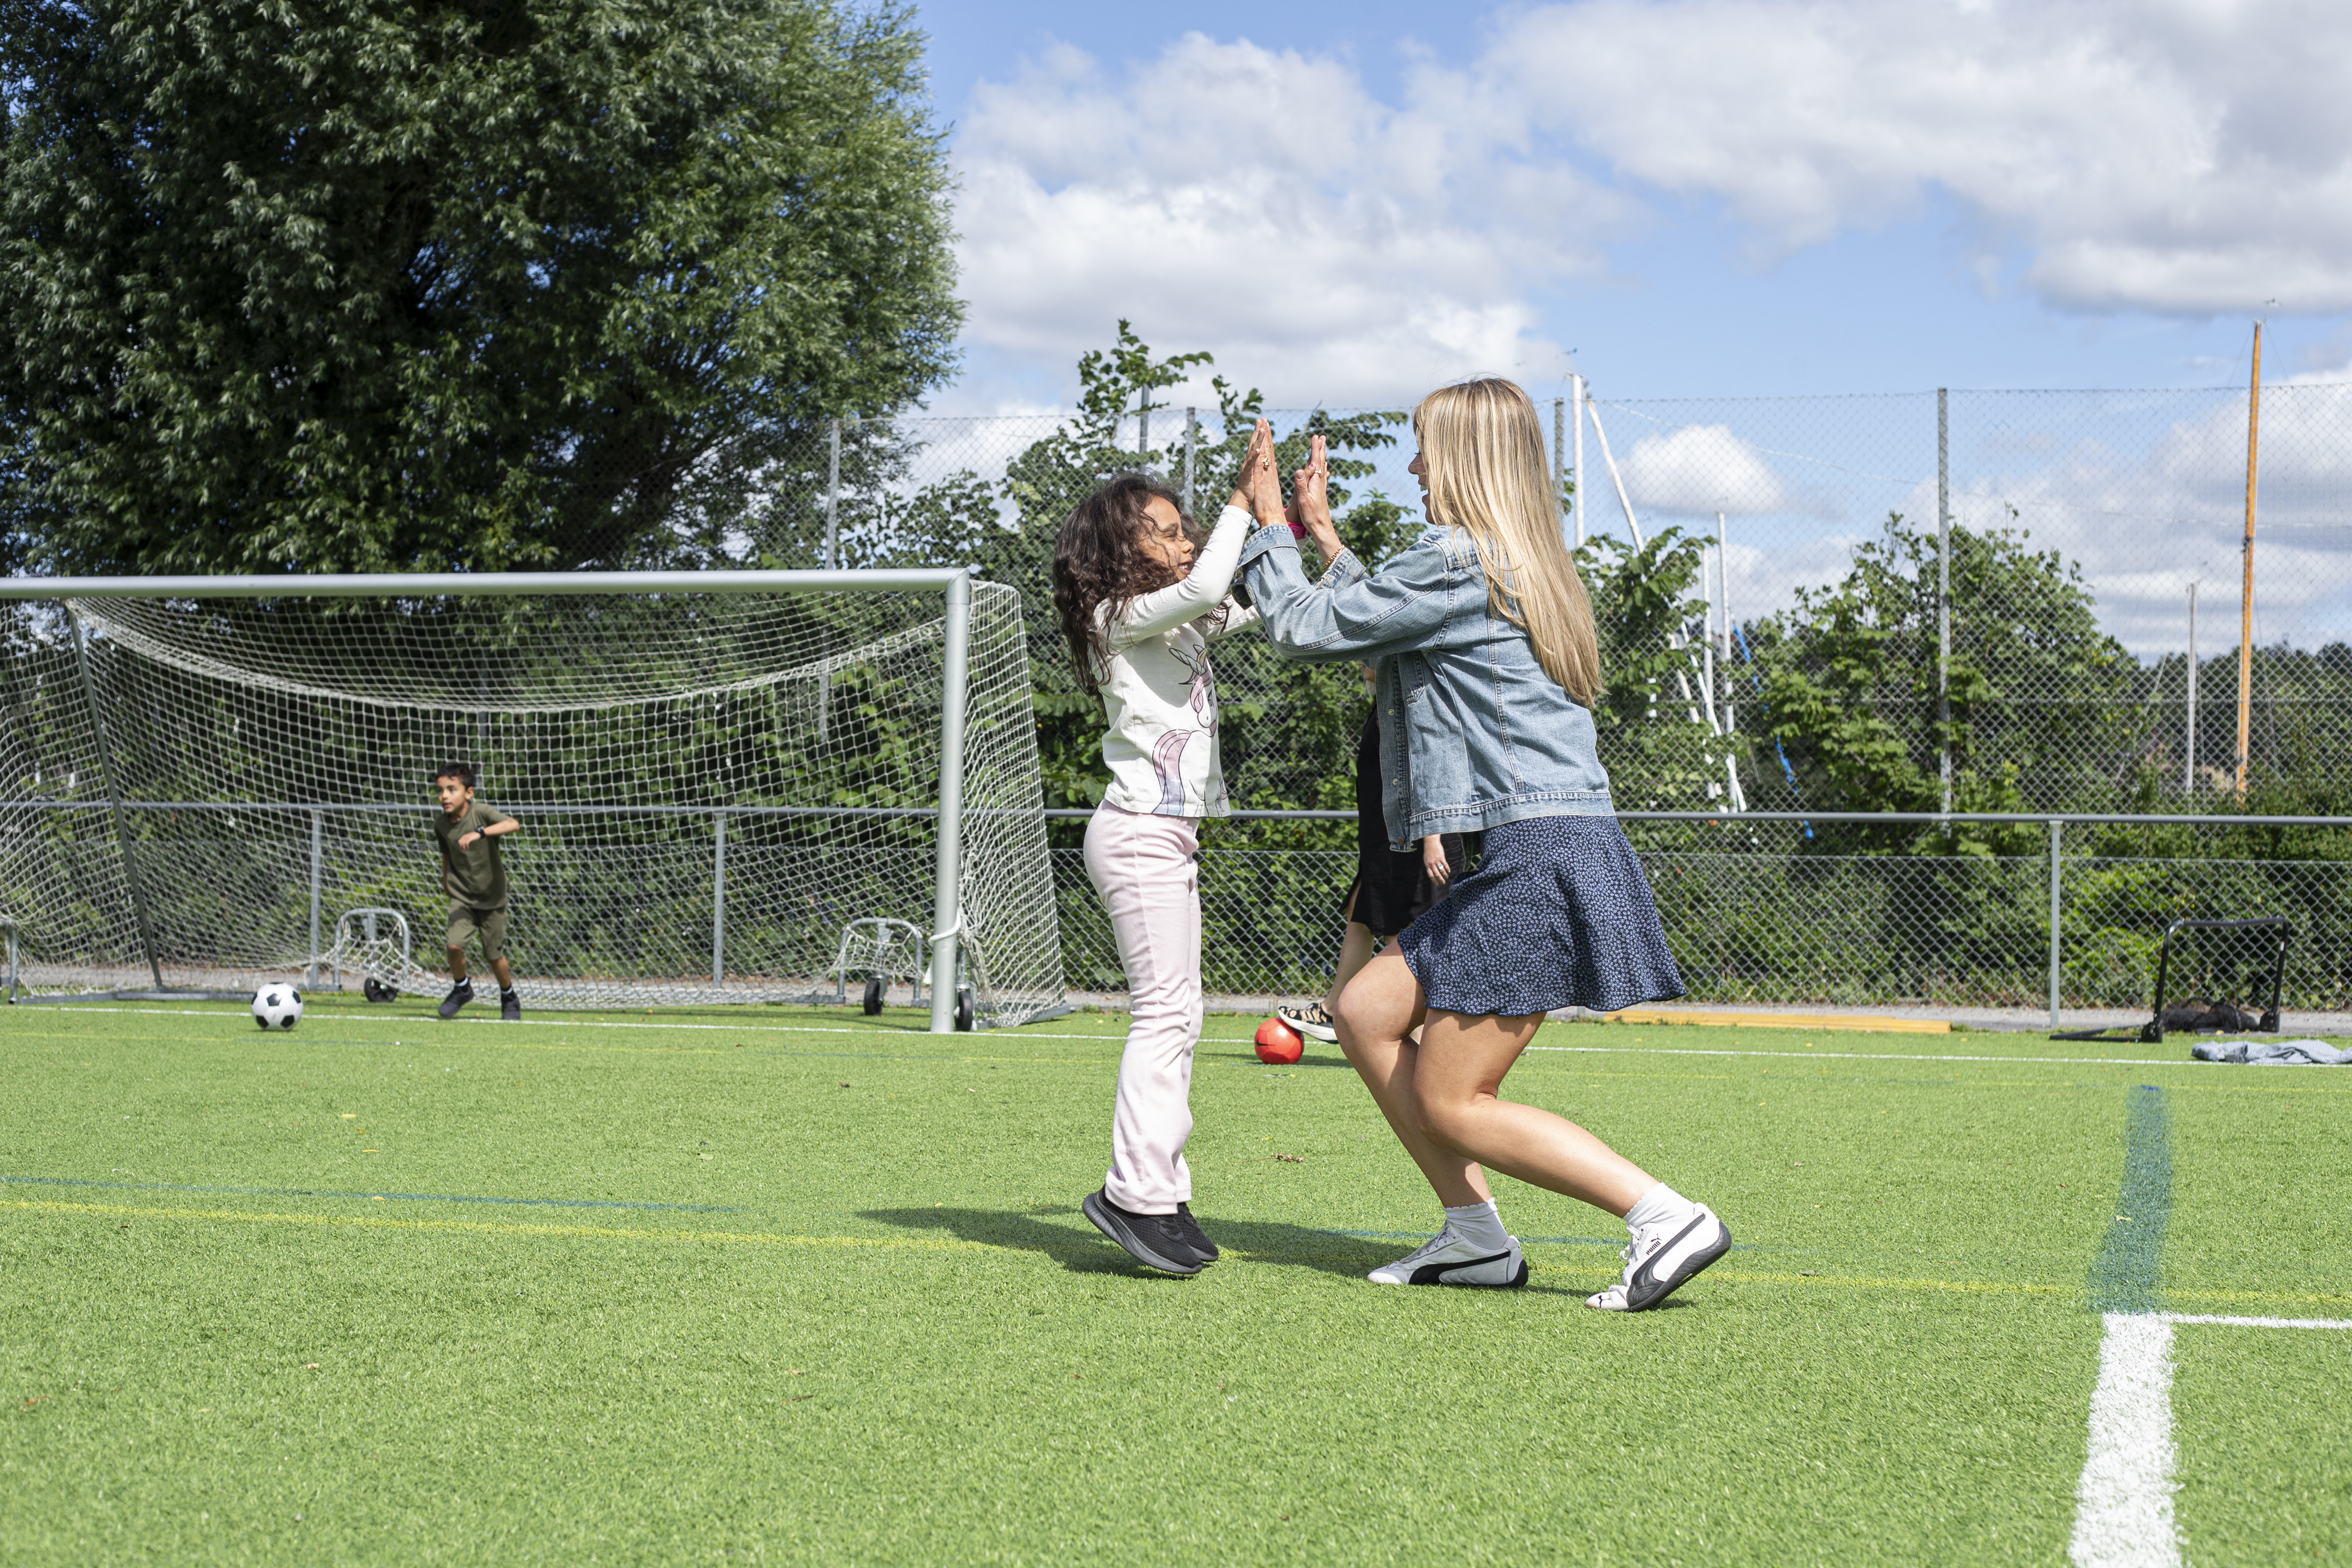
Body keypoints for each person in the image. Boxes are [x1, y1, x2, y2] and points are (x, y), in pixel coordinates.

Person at [1237, 379, 1731, 1312]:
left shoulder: (1460, 557)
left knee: (1455, 1099)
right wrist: (1320, 537)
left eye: (1427, 452)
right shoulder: (1513, 560)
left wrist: (1269, 527)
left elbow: (1306, 631)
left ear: (1465, 462)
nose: (1417, 468)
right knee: (1365, 1011)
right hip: (1542, 846)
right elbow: (1394, 630)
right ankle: (1473, 1238)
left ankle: (1663, 1215)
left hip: (1537, 852)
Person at [1052, 424, 1278, 1276]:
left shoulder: (1175, 623)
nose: (1183, 540)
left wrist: (1283, 521)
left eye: (1187, 527)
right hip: (1139, 834)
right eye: (1167, 527)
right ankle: (1133, 1194)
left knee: (1180, 1014)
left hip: (1167, 840)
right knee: (1165, 1013)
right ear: (1119, 547)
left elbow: (1249, 599)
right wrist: (1234, 505)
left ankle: (1161, 1190)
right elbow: (1216, 577)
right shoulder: (1121, 616)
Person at [1278, 666, 1464, 1045]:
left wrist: (1432, 838)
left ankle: (1438, 1030)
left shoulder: (1411, 704)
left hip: (1415, 838)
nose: (1361, 662)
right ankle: (1334, 1010)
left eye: (1372, 655)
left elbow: (1431, 771)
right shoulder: (1385, 706)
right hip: (1385, 836)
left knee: (1409, 932)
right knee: (1361, 910)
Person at [432, 762, 523, 1022]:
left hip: (492, 898)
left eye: (452, 789)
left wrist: (479, 833)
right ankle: (462, 989)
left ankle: (508, 996)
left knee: (494, 956)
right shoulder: (441, 824)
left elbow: (513, 824)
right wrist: (446, 882)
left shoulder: (481, 813)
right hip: (462, 897)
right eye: (440, 791)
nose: (445, 796)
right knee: (453, 946)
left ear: (469, 793)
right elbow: (446, 854)